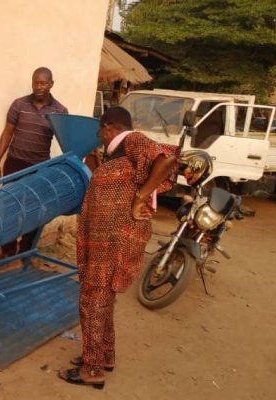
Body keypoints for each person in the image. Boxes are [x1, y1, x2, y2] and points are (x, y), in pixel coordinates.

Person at [59, 106, 179, 389]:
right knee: (103, 300)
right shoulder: (117, 154)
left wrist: (140, 197)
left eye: (100, 131)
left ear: (108, 126)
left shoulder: (132, 140)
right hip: (105, 241)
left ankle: (92, 370)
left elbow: (166, 159)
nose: (99, 136)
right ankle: (104, 357)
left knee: (92, 300)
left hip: (112, 242)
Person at [0, 67, 68, 258]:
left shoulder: (59, 111)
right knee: (9, 207)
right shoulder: (19, 104)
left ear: (51, 84)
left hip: (39, 168)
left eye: (43, 83)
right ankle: (8, 252)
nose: (38, 87)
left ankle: (25, 252)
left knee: (35, 210)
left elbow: (66, 140)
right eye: (36, 82)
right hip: (14, 164)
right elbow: (7, 133)